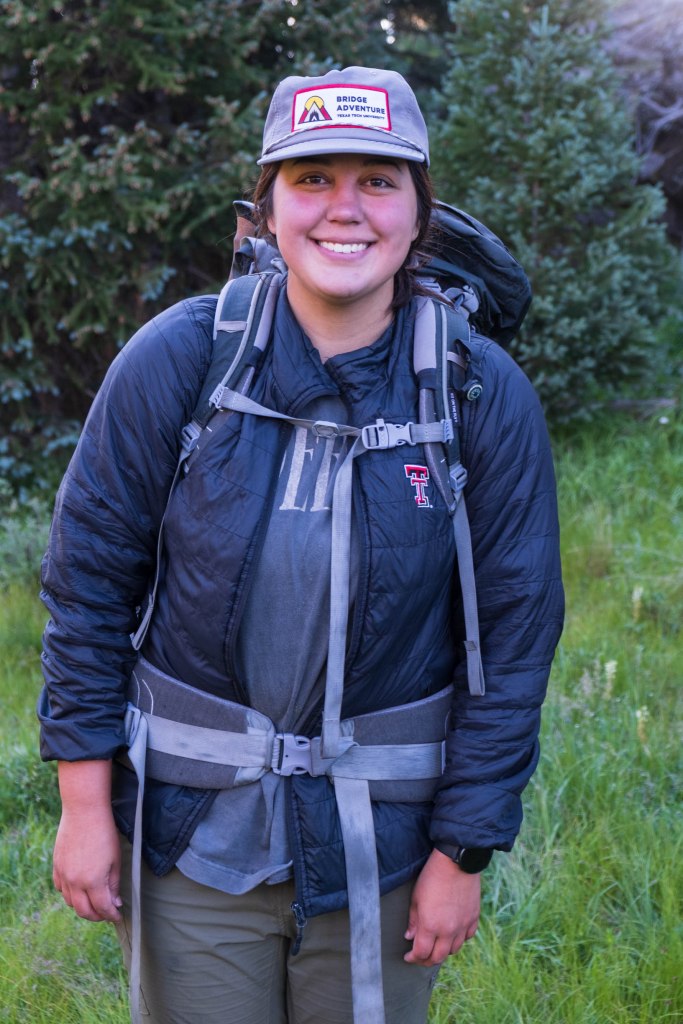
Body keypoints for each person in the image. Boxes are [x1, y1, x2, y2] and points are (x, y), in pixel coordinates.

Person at [38, 66, 564, 1024]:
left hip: (391, 849)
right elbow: (87, 589)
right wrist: (82, 809)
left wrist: (462, 854)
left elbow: (516, 641)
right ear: (268, 206)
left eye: (377, 179)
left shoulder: (477, 393)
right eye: (312, 178)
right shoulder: (180, 358)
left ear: (418, 210)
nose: (344, 209)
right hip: (188, 839)